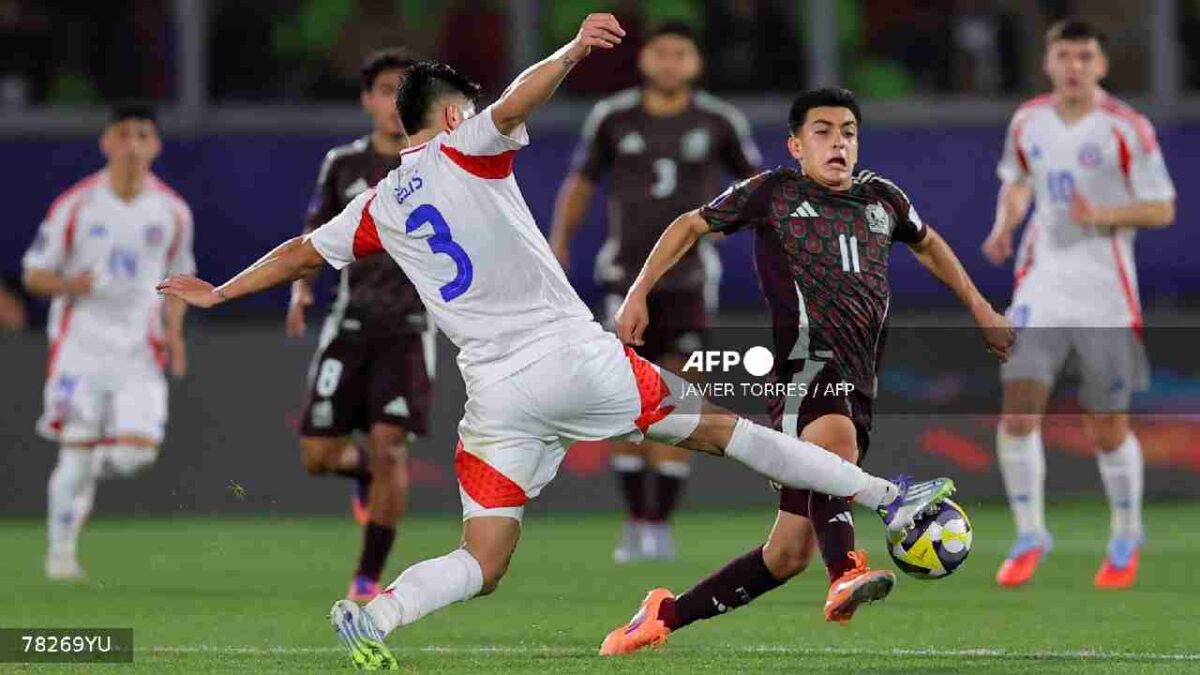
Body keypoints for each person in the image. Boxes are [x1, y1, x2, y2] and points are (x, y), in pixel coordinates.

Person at [157, 15, 954, 670]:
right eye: (466, 104)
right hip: (572, 359)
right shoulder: (464, 144)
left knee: (485, 558)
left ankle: (378, 615)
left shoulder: (375, 204)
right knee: (729, 432)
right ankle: (894, 496)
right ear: (448, 115)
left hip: (497, 397)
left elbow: (301, 251)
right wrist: (573, 50)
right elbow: (512, 103)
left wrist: (221, 290)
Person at [597, 87, 1015, 655]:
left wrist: (981, 308)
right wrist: (638, 293)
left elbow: (929, 243)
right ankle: (844, 569)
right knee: (833, 447)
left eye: (848, 131)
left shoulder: (883, 199)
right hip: (802, 364)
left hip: (859, 378)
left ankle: (663, 615)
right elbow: (690, 225)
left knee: (786, 553)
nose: (837, 142)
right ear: (796, 144)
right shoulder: (774, 193)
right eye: (822, 131)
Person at [549, 21, 761, 563]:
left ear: (695, 63)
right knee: (625, 399)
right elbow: (580, 184)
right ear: (645, 60)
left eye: (681, 54)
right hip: (624, 278)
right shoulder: (613, 117)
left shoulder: (718, 121)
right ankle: (635, 521)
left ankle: (659, 523)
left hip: (691, 281)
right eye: (661, 53)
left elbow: (760, 190)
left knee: (681, 400)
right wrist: (560, 241)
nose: (670, 63)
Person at [982, 19, 1175, 590]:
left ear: (1101, 65)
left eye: (1084, 56)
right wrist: (1005, 223)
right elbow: (1017, 181)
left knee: (1106, 425)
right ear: (1049, 63)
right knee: (1018, 410)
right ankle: (1030, 532)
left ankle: (1125, 532)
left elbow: (1163, 208)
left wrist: (1105, 216)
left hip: (1105, 294)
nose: (1073, 66)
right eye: (1063, 55)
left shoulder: (1127, 128)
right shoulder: (1028, 121)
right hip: (1041, 284)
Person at [286, 49, 433, 603]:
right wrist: (300, 294)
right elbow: (310, 240)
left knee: (392, 446)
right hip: (349, 323)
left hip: (410, 326)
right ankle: (362, 473)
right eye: (385, 91)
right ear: (367, 100)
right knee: (318, 455)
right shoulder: (342, 165)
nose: (395, 103)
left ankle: (368, 577)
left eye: (406, 92)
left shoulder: (439, 164)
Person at [23, 104, 195, 580]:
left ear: (155, 146)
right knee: (72, 454)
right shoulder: (76, 206)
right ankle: (60, 554)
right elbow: (34, 273)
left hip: (141, 347)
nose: (134, 146)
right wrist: (69, 285)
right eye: (124, 135)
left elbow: (180, 281)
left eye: (143, 135)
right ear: (107, 143)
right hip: (80, 345)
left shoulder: (173, 212)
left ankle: (93, 460)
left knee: (135, 455)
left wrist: (176, 337)